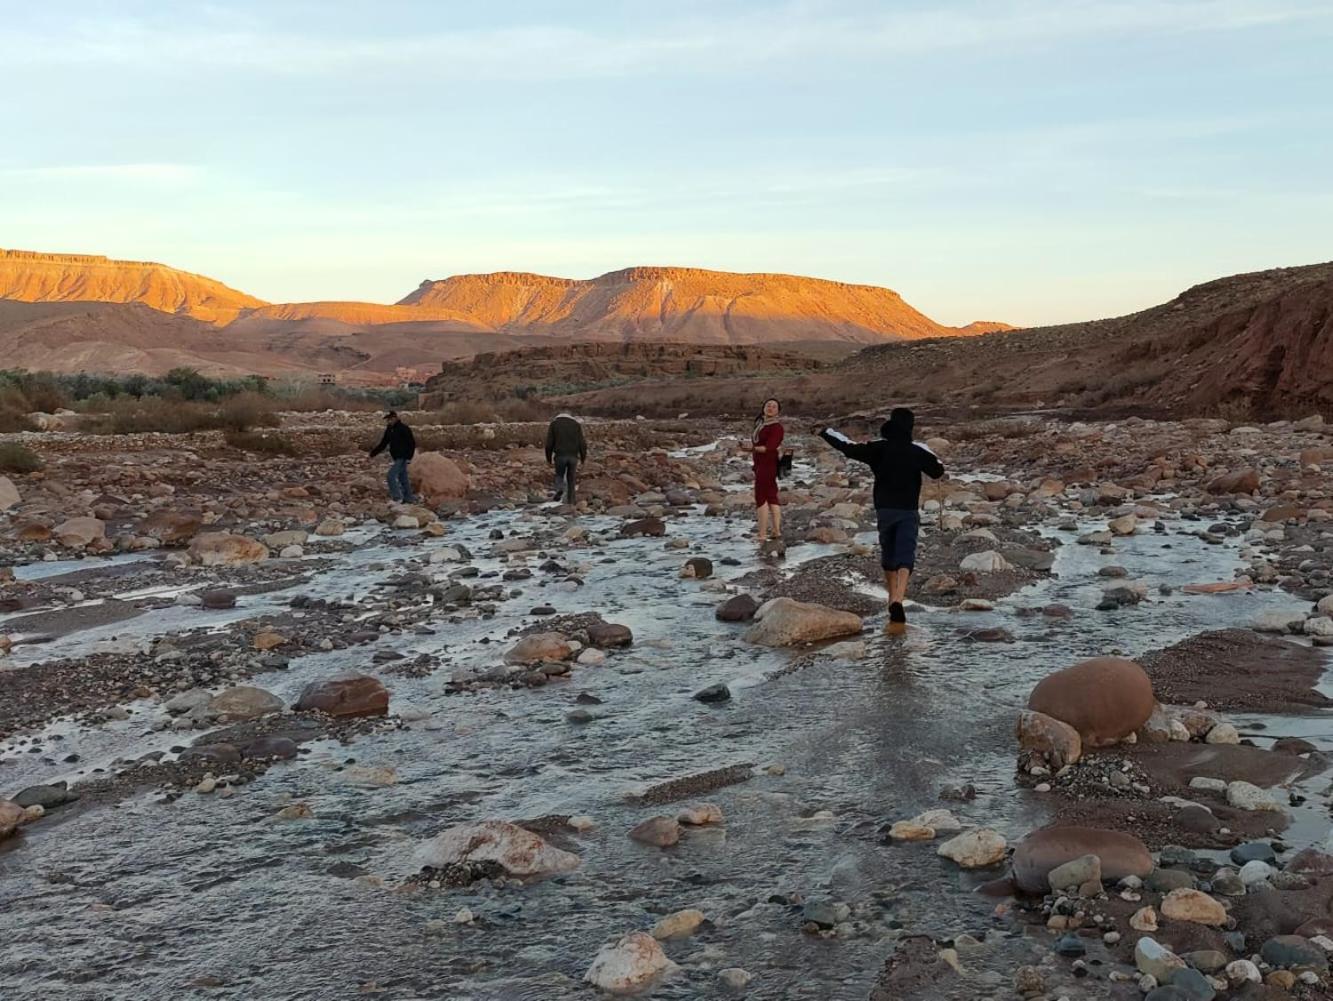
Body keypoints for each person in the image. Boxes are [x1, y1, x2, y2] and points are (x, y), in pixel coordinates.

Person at [816, 407, 944, 631]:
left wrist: (826, 432)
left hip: (884, 508)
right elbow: (938, 471)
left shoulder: (878, 448)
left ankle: (891, 599)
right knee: (906, 551)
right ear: (911, 427)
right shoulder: (917, 450)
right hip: (908, 509)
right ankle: (898, 598)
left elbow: (848, 448)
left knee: (889, 551)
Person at [748, 397, 785, 544]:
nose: (770, 408)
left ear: (778, 411)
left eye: (774, 406)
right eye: (768, 405)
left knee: (761, 497)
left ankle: (762, 534)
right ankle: (776, 531)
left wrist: (751, 449)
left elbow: (770, 447)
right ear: (763, 408)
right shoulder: (761, 424)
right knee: (771, 495)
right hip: (760, 463)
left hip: (768, 464)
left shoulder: (776, 427)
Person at [369, 410, 417, 504]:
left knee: (390, 476)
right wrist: (373, 453)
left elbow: (411, 443)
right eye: (387, 420)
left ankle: (397, 497)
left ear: (395, 418)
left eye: (389, 420)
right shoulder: (389, 430)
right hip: (395, 456)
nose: (388, 422)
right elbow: (383, 443)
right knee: (403, 478)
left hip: (403, 456)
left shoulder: (404, 428)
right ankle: (409, 499)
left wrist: (409, 457)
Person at [545, 412, 587, 505]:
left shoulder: (554, 424)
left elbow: (549, 444)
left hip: (560, 456)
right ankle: (571, 502)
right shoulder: (576, 425)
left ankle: (560, 489)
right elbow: (582, 443)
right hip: (573, 456)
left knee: (559, 475)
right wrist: (583, 458)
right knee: (571, 478)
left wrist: (548, 459)